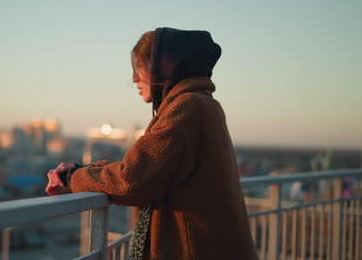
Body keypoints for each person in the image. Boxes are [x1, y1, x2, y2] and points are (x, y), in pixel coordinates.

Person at [46, 27, 258, 260]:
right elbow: (153, 169)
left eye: (139, 69)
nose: (134, 79)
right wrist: (83, 172)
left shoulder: (187, 108)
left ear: (165, 67)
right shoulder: (204, 105)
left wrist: (74, 178)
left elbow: (132, 180)